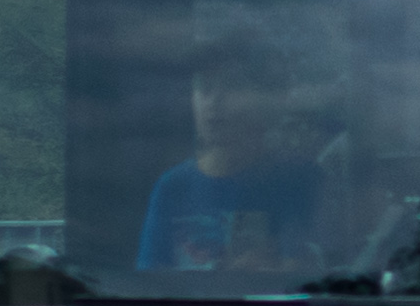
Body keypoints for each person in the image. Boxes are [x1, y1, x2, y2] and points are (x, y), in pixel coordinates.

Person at [134, 30, 327, 272]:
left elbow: (308, 275)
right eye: (204, 88)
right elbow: (150, 284)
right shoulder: (172, 187)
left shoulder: (300, 179)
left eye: (233, 87)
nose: (214, 102)